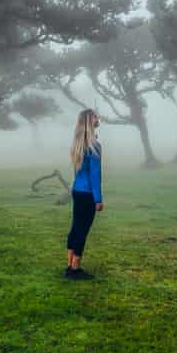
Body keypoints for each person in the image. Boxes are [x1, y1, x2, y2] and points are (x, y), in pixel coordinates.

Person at [65, 108, 103, 280]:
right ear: (90, 121)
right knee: (82, 230)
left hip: (77, 190)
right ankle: (75, 269)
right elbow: (95, 176)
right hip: (88, 194)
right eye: (95, 116)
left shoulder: (77, 143)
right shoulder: (94, 146)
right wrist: (98, 199)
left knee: (75, 228)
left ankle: (69, 265)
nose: (98, 118)